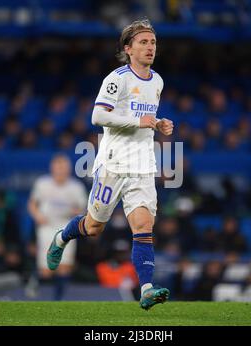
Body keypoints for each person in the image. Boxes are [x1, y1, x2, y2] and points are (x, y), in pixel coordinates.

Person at [47, 18, 173, 310]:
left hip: (142, 166)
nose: (150, 47)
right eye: (143, 42)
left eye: (153, 42)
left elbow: (144, 118)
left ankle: (146, 289)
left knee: (143, 225)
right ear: (128, 48)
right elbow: (98, 118)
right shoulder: (117, 79)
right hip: (113, 164)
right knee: (93, 228)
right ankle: (62, 236)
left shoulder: (157, 81)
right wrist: (138, 121)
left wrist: (158, 124)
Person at [28, 154, 87, 300]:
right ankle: (36, 286)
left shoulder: (76, 187)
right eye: (58, 167)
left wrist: (76, 212)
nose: (60, 170)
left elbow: (83, 209)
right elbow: (32, 204)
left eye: (63, 167)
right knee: (46, 269)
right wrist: (38, 216)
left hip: (67, 229)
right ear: (52, 168)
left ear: (68, 169)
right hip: (47, 227)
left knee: (65, 266)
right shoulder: (42, 183)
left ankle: (58, 300)